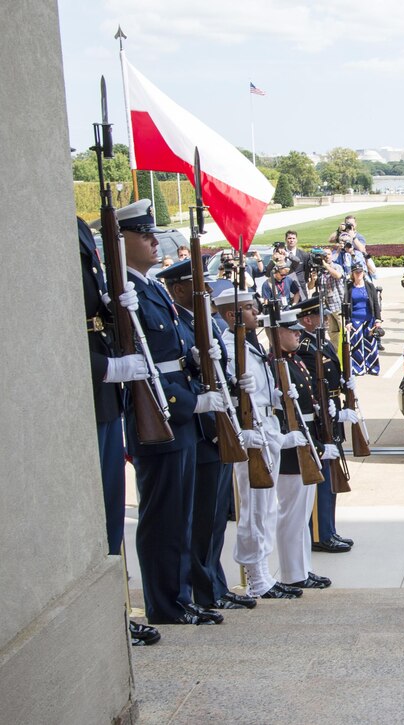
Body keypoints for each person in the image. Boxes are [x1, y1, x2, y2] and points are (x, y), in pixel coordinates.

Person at [116, 199, 227, 627]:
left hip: (175, 413)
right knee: (163, 517)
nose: (153, 239)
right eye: (143, 234)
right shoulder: (125, 291)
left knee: (180, 515)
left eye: (151, 232)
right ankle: (166, 603)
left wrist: (199, 358)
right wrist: (188, 403)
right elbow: (142, 362)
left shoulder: (149, 287)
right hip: (161, 416)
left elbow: (172, 351)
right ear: (121, 240)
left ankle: (178, 597)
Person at [78, 216, 160, 646]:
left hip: (106, 402)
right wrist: (105, 367)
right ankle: (108, 618)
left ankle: (115, 616)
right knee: (101, 520)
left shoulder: (75, 229)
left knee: (112, 518)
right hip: (92, 394)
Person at [157, 261, 257, 613]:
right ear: (179, 289)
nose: (206, 295)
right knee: (201, 519)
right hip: (198, 429)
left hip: (216, 429)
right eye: (197, 287)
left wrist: (235, 384)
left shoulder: (206, 324)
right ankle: (204, 590)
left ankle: (214, 583)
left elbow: (218, 372)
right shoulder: (178, 323)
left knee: (215, 518)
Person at [215, 286, 304, 601]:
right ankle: (256, 579)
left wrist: (278, 397)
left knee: (267, 507)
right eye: (250, 308)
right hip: (252, 436)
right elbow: (228, 395)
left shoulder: (250, 344)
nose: (256, 312)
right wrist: (242, 430)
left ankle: (264, 573)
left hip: (267, 429)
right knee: (254, 508)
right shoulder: (228, 347)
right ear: (231, 314)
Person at [271, 312, 334, 590]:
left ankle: (303, 568)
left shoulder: (293, 360)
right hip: (291, 446)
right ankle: (292, 574)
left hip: (307, 440)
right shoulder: (275, 365)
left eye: (298, 331)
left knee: (303, 512)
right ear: (277, 333)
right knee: (292, 514)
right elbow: (281, 414)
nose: (298, 335)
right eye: (292, 331)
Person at [292, 297, 355, 554]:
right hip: (322, 419)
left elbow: (330, 376)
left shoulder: (320, 340)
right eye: (320, 315)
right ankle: (320, 534)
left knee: (330, 478)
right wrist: (333, 409)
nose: (326, 319)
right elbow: (313, 386)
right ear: (307, 319)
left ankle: (328, 529)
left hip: (331, 414)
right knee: (322, 479)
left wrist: (344, 385)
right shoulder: (305, 346)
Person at [347, 262, 383, 376]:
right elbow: (346, 304)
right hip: (355, 319)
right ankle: (358, 368)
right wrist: (347, 321)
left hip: (369, 318)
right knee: (356, 345)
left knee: (371, 344)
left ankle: (372, 367)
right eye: (356, 272)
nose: (358, 274)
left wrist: (378, 319)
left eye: (360, 272)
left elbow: (376, 303)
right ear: (352, 274)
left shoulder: (369, 285)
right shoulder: (349, 287)